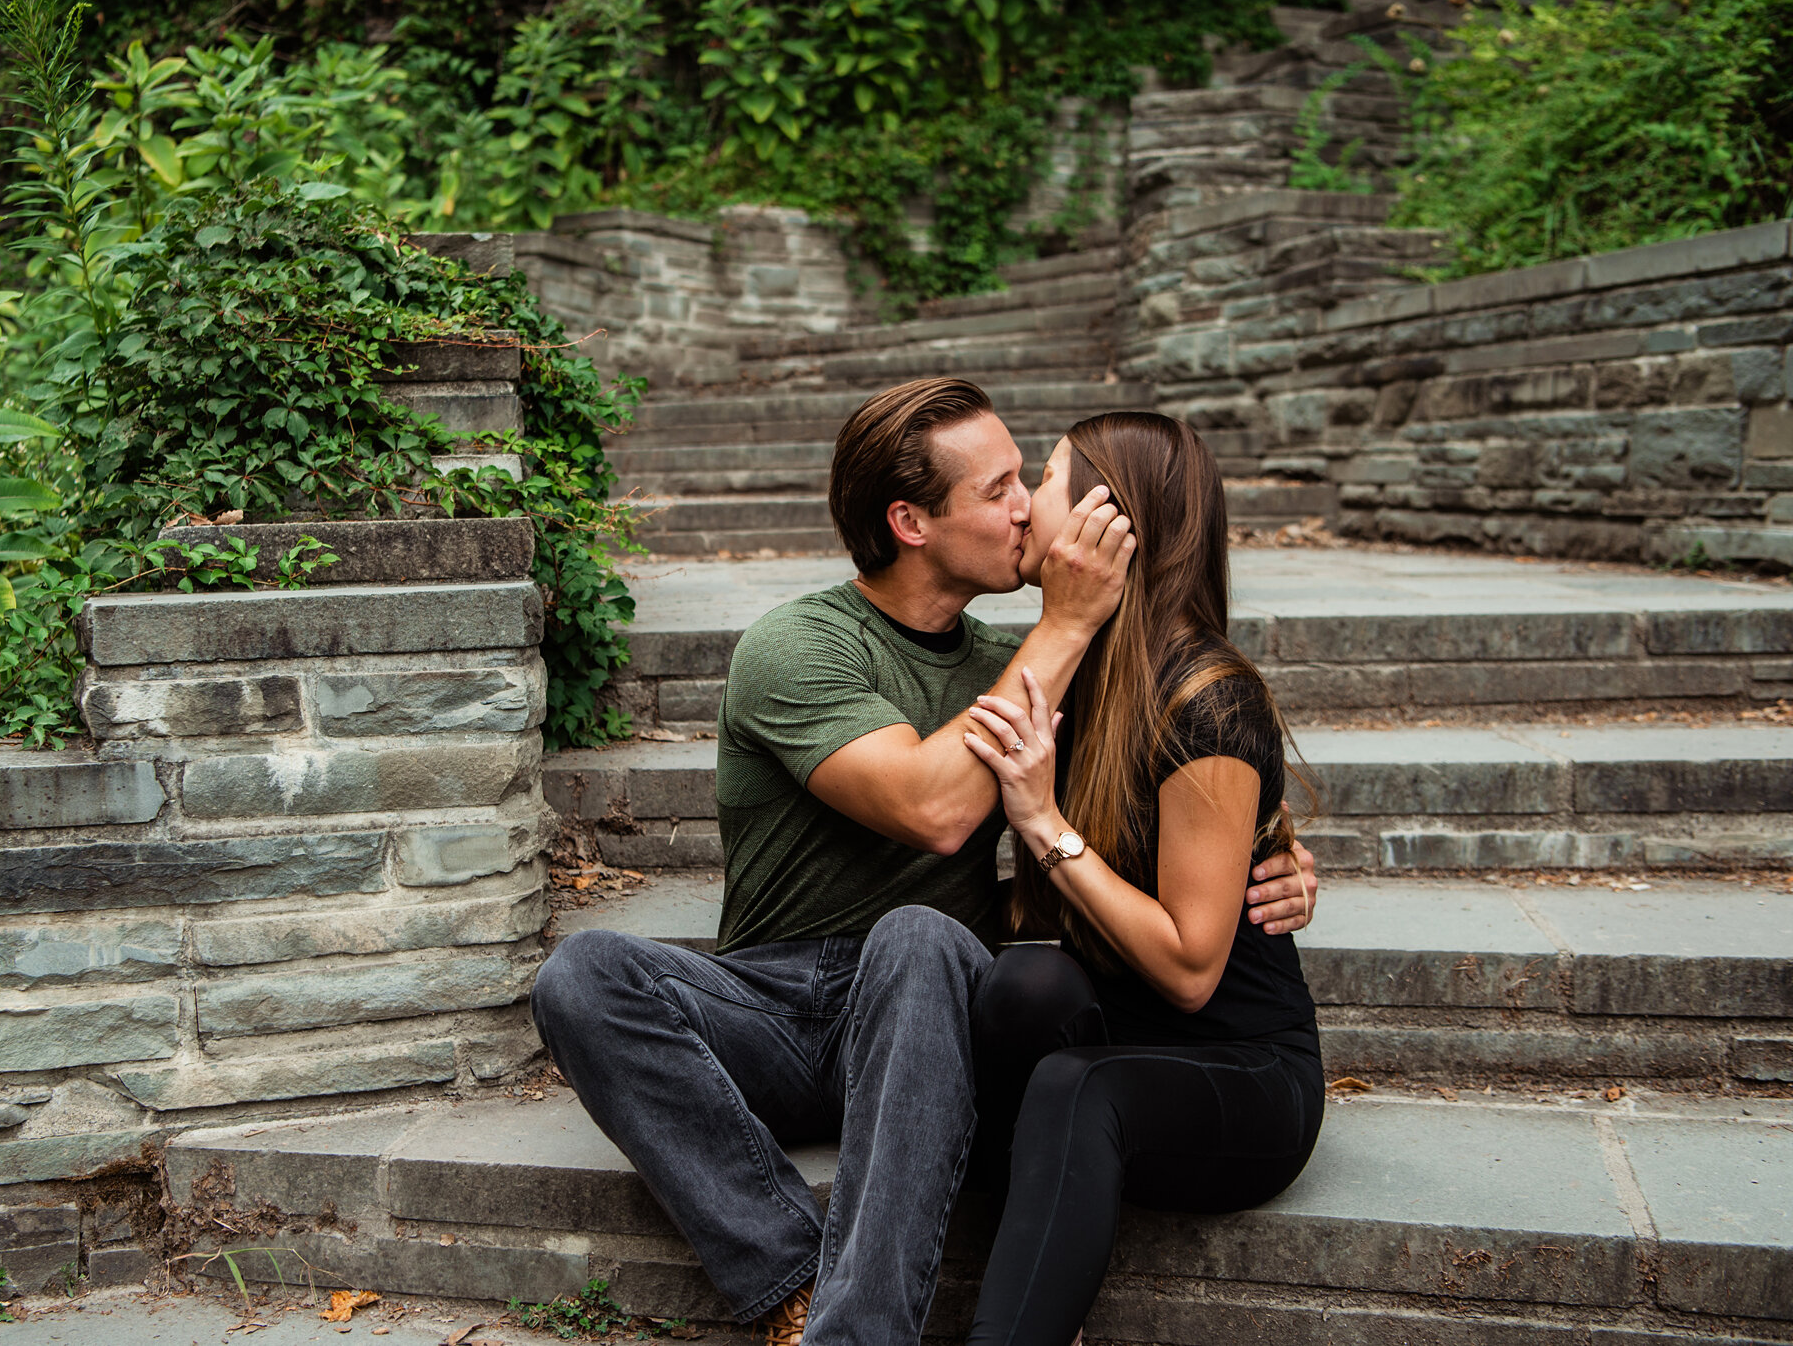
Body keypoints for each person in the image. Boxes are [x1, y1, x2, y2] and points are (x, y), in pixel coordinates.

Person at [529, 379, 1318, 1346]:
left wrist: (1270, 853)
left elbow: (1181, 762)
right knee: (583, 973)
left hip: (934, 1002)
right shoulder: (801, 645)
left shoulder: (1019, 654)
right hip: (779, 1003)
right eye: (997, 489)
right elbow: (937, 810)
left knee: (915, 937)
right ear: (911, 520)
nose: (1027, 504)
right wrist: (1064, 627)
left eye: (1031, 478)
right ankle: (792, 1283)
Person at [958, 411, 1326, 1346]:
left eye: (1038, 479)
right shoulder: (1069, 672)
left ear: (1101, 520)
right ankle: (1036, 1239)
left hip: (1240, 1068)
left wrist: (1041, 823)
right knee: (1021, 986)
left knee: (1077, 1090)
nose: (1020, 504)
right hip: (1117, 1026)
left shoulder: (1207, 698)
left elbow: (1194, 969)